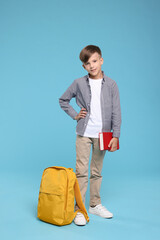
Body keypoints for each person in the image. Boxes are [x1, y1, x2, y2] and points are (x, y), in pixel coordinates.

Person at [59, 45, 122, 226]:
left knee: (96, 172)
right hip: (84, 133)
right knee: (81, 172)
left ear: (101, 60)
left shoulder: (111, 84)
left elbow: (116, 112)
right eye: (88, 63)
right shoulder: (78, 83)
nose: (92, 65)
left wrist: (116, 135)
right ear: (84, 67)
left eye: (94, 61)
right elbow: (63, 100)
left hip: (104, 135)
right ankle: (79, 209)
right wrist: (75, 115)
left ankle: (94, 204)